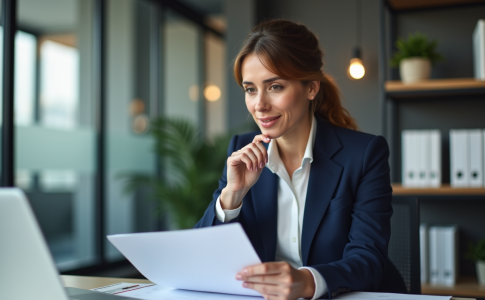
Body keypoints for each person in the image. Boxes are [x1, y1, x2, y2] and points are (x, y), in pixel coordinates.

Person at [195, 19, 405, 300]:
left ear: (311, 88)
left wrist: (306, 281)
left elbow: (368, 259)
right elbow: (202, 254)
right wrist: (232, 196)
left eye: (275, 87)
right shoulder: (241, 150)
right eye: (250, 89)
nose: (260, 105)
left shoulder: (365, 154)